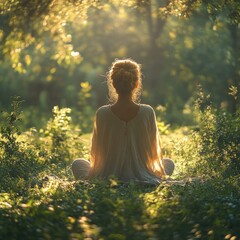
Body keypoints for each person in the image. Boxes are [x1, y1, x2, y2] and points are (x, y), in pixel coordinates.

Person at [72, 59, 174, 184]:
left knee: (77, 163)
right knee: (169, 163)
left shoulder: (102, 113)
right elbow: (153, 154)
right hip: (143, 174)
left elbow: (98, 154)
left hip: (108, 175)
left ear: (113, 84)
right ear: (136, 84)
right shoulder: (148, 112)